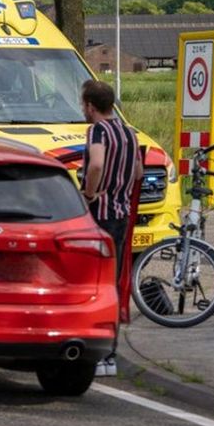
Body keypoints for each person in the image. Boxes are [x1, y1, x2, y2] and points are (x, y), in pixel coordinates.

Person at [81, 79, 143, 376]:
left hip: (99, 214)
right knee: (113, 282)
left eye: (83, 105)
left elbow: (95, 164)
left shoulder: (97, 131)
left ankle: (93, 351)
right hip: (120, 214)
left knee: (92, 281)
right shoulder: (129, 134)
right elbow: (139, 171)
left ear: (90, 107)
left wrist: (90, 193)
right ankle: (111, 355)